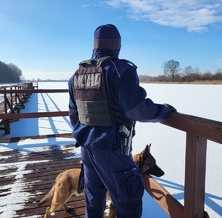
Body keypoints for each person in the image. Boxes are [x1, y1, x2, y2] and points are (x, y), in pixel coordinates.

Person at [68, 24, 176, 218]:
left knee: (93, 204)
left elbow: (74, 115)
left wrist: (86, 135)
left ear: (95, 45)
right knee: (130, 205)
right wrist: (164, 111)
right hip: (113, 152)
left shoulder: (76, 75)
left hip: (87, 150)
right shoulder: (121, 71)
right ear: (117, 45)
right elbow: (137, 110)